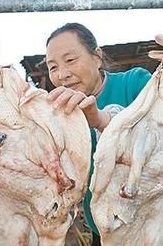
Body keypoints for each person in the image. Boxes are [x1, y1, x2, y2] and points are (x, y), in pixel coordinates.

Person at [45, 22, 151, 245]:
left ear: (97, 57)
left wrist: (102, 121)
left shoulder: (136, 83)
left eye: (70, 60)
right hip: (101, 232)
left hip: (151, 227)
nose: (62, 74)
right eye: (52, 67)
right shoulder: (58, 113)